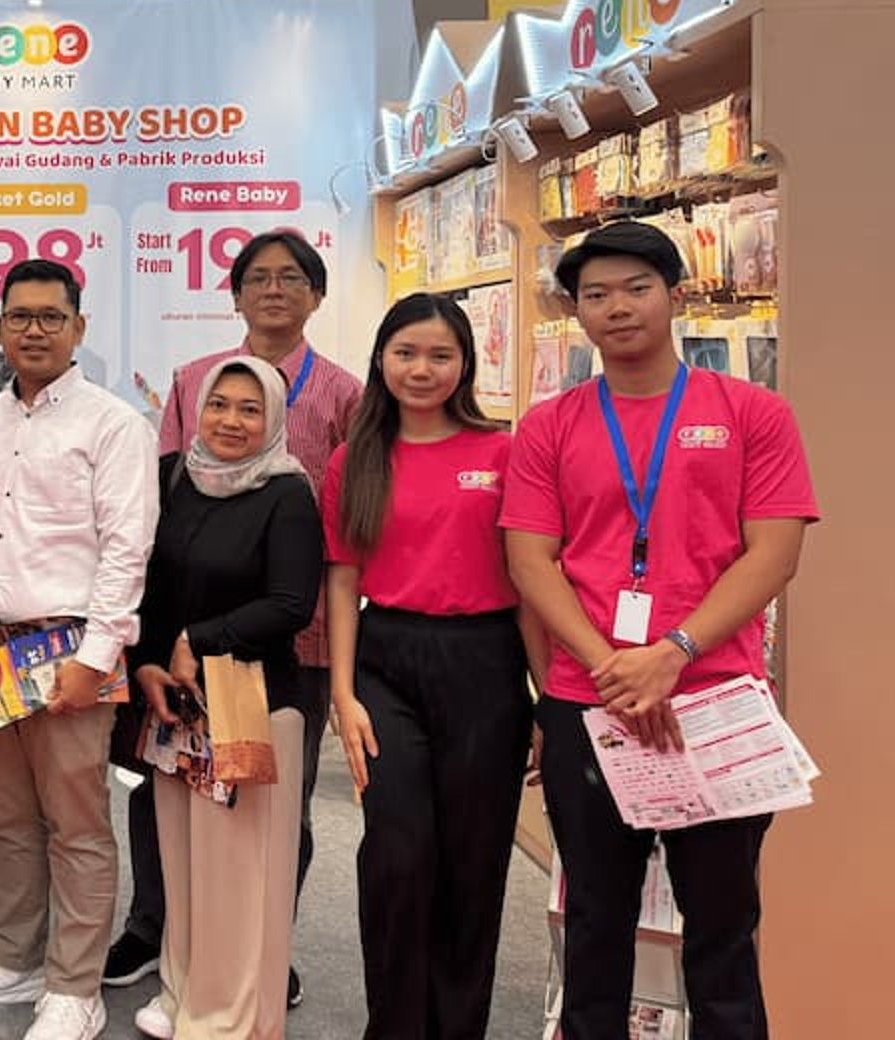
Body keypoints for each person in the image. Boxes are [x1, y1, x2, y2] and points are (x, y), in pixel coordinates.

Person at [501, 222, 817, 1040]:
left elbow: (774, 554)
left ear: (675, 294)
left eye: (636, 289)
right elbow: (531, 562)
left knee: (723, 931)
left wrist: (672, 654)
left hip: (715, 702)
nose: (616, 308)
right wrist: (612, 666)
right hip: (589, 704)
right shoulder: (548, 425)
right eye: (595, 295)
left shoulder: (753, 412)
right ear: (576, 312)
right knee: (594, 924)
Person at [112, 229, 362, 1004]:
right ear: (236, 293)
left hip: (291, 638)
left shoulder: (345, 393)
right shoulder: (193, 380)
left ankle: (263, 944)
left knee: (272, 802)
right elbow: (165, 501)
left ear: (317, 295)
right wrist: (155, 646)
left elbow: (346, 515)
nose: (274, 290)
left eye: (292, 278)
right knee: (164, 784)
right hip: (183, 642)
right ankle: (156, 927)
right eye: (258, 277)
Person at [0, 259, 159, 1040]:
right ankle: (15, 955)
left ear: (78, 328)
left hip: (70, 650)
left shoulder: (115, 425)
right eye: (19, 316)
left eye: (51, 317)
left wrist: (96, 657)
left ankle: (74, 984)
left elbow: (127, 550)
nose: (34, 330)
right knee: (10, 816)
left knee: (78, 823)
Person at [323, 294, 533, 1040]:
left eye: (440, 355)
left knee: (474, 862)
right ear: (381, 359)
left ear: (465, 364)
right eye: (406, 353)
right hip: (386, 663)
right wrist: (343, 692)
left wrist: (544, 696)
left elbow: (530, 579)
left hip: (487, 662)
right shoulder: (355, 458)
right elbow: (342, 578)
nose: (422, 369)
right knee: (398, 854)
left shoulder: (502, 453)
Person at [128, 355, 321, 1040]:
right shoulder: (177, 478)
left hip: (250, 702)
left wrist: (199, 638)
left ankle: (228, 1015)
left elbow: (292, 603)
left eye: (249, 409)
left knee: (238, 873)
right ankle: (184, 988)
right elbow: (149, 584)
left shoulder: (287, 494)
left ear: (274, 419)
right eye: (219, 405)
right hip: (177, 705)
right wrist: (148, 664)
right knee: (185, 860)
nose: (231, 421)